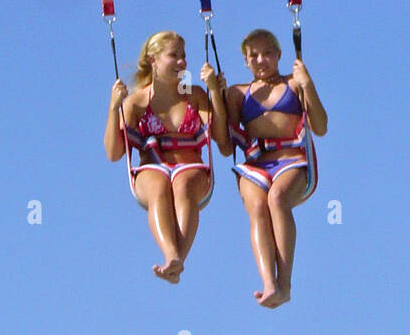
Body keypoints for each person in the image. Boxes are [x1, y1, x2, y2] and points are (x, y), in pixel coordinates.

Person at [105, 31, 227, 285]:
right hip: (153, 168)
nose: (182, 62)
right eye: (174, 56)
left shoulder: (194, 95)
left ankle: (176, 261)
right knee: (159, 186)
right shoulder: (136, 102)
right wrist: (113, 107)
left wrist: (215, 92)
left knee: (182, 184)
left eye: (184, 56)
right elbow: (114, 153)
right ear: (153, 60)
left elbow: (222, 141)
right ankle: (172, 256)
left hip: (189, 166)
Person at [217, 29, 327, 308]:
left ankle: (285, 284)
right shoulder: (238, 93)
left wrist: (308, 84)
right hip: (255, 166)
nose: (261, 60)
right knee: (257, 207)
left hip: (292, 161)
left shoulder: (293, 84)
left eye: (267, 53)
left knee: (276, 199)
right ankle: (268, 283)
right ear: (245, 61)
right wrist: (214, 95)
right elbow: (226, 146)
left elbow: (321, 127)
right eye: (253, 55)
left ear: (279, 55)